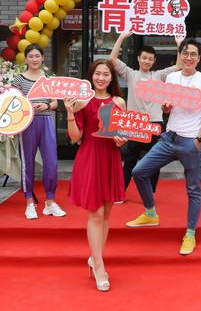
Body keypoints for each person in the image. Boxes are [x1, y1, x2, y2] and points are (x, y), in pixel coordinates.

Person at [126, 38, 201, 256]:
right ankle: (150, 213)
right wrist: (166, 107)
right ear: (180, 54)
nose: (188, 57)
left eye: (193, 54)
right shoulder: (173, 77)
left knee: (193, 189)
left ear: (198, 58)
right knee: (139, 172)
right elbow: (168, 109)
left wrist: (199, 138)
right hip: (169, 138)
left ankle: (190, 233)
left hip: (191, 141)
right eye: (185, 53)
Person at [64, 59, 127, 292]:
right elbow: (74, 137)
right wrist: (70, 113)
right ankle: (99, 264)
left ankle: (94, 257)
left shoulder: (119, 101)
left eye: (106, 74)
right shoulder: (82, 102)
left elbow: (121, 135)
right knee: (97, 213)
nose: (101, 78)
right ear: (91, 76)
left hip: (110, 158)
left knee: (107, 212)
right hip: (90, 157)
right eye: (97, 73)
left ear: (112, 78)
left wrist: (121, 139)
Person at [110, 31, 183, 194]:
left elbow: (178, 66)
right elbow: (113, 60)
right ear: (138, 58)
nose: (147, 61)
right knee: (129, 160)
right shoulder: (131, 74)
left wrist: (179, 44)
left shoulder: (159, 75)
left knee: (154, 161)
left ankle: (149, 192)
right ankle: (120, 192)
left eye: (150, 59)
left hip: (154, 123)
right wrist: (121, 37)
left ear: (154, 61)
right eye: (144, 58)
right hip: (135, 123)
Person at [12, 44, 66, 220]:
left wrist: (47, 105)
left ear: (43, 58)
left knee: (51, 162)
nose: (34, 59)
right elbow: (14, 103)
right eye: (31, 56)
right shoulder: (18, 80)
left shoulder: (49, 79)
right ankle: (29, 203)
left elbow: (55, 103)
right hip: (27, 123)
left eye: (37, 56)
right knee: (27, 163)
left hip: (47, 121)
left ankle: (50, 202)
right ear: (26, 59)